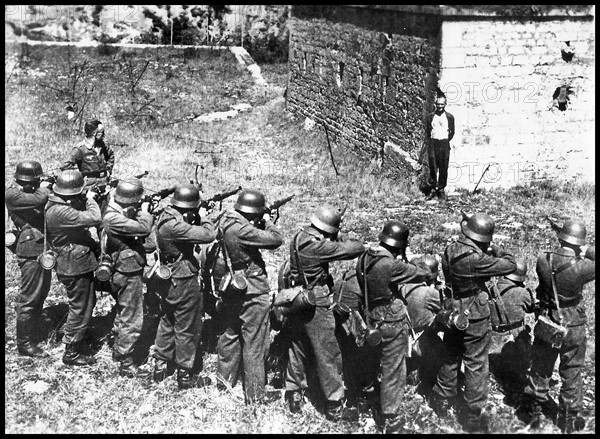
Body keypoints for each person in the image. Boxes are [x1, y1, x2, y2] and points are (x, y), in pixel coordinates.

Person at [429, 212, 517, 433]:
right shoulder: (476, 259)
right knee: (476, 362)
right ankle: (473, 414)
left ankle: (441, 398)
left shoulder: (451, 249)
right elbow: (509, 265)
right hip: (474, 314)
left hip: (453, 309)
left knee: (450, 354)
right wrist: (497, 248)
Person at [284, 205, 364, 422]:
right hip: (316, 300)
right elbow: (356, 248)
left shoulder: (299, 237)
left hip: (297, 297)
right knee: (328, 353)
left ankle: (294, 393)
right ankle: (334, 405)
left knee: (298, 346)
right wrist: (340, 234)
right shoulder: (318, 247)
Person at [519, 220, 595, 433]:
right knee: (571, 370)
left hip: (548, 319)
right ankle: (569, 419)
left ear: (561, 238)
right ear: (578, 241)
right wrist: (587, 249)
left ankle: (532, 412)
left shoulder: (544, 259)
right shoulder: (582, 267)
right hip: (573, 323)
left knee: (541, 365)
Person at [355, 222, 431, 433]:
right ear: (399, 244)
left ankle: (366, 398)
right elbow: (423, 272)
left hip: (371, 316)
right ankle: (391, 420)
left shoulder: (365, 257)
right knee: (394, 368)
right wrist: (411, 259)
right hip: (392, 319)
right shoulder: (391, 265)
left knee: (370, 359)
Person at [215, 189, 284, 404]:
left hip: (233, 287)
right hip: (251, 291)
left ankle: (224, 379)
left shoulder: (227, 219)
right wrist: (267, 221)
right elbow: (276, 240)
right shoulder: (243, 230)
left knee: (231, 333)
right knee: (255, 342)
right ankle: (255, 395)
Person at [151, 184, 217, 390]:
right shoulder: (175, 227)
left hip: (168, 279)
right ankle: (185, 374)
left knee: (167, 319)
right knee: (188, 325)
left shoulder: (167, 216)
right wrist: (205, 216)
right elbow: (208, 235)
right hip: (183, 279)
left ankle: (160, 366)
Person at [46, 169, 102, 366]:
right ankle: (71, 351)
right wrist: (90, 198)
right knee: (81, 306)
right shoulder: (62, 212)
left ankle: (74, 336)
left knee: (82, 304)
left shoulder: (55, 204)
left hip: (70, 262)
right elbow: (95, 217)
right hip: (74, 265)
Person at [102, 179, 155, 377]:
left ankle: (118, 347)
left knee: (123, 311)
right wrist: (146, 211)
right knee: (132, 317)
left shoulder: (116, 212)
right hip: (126, 271)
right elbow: (143, 229)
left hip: (123, 269)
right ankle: (126, 362)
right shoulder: (113, 218)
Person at [5, 161, 52, 357]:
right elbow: (40, 199)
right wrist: (45, 187)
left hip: (41, 247)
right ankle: (25, 344)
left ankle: (35, 330)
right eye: (34, 180)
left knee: (41, 292)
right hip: (30, 249)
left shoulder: (26, 191)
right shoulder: (12, 194)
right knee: (30, 298)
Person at [487, 260, 536, 402]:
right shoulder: (521, 293)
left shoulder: (491, 288)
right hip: (514, 338)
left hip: (493, 339)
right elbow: (531, 308)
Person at [403, 255, 445, 398]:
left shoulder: (401, 287)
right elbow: (446, 306)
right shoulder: (429, 293)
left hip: (402, 337)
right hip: (421, 340)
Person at [61, 120, 114, 208]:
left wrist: (108, 170)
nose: (104, 135)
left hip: (104, 184)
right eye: (102, 132)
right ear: (94, 133)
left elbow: (111, 155)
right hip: (89, 188)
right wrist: (79, 178)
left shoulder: (104, 145)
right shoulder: (80, 149)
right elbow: (65, 166)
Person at [425, 94, 455, 200]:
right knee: (433, 166)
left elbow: (452, 132)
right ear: (435, 104)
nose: (440, 106)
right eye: (438, 104)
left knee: (443, 167)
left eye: (442, 104)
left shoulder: (450, 117)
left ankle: (441, 189)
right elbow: (428, 131)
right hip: (433, 143)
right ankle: (433, 189)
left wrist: (445, 140)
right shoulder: (430, 117)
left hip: (444, 144)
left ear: (445, 104)